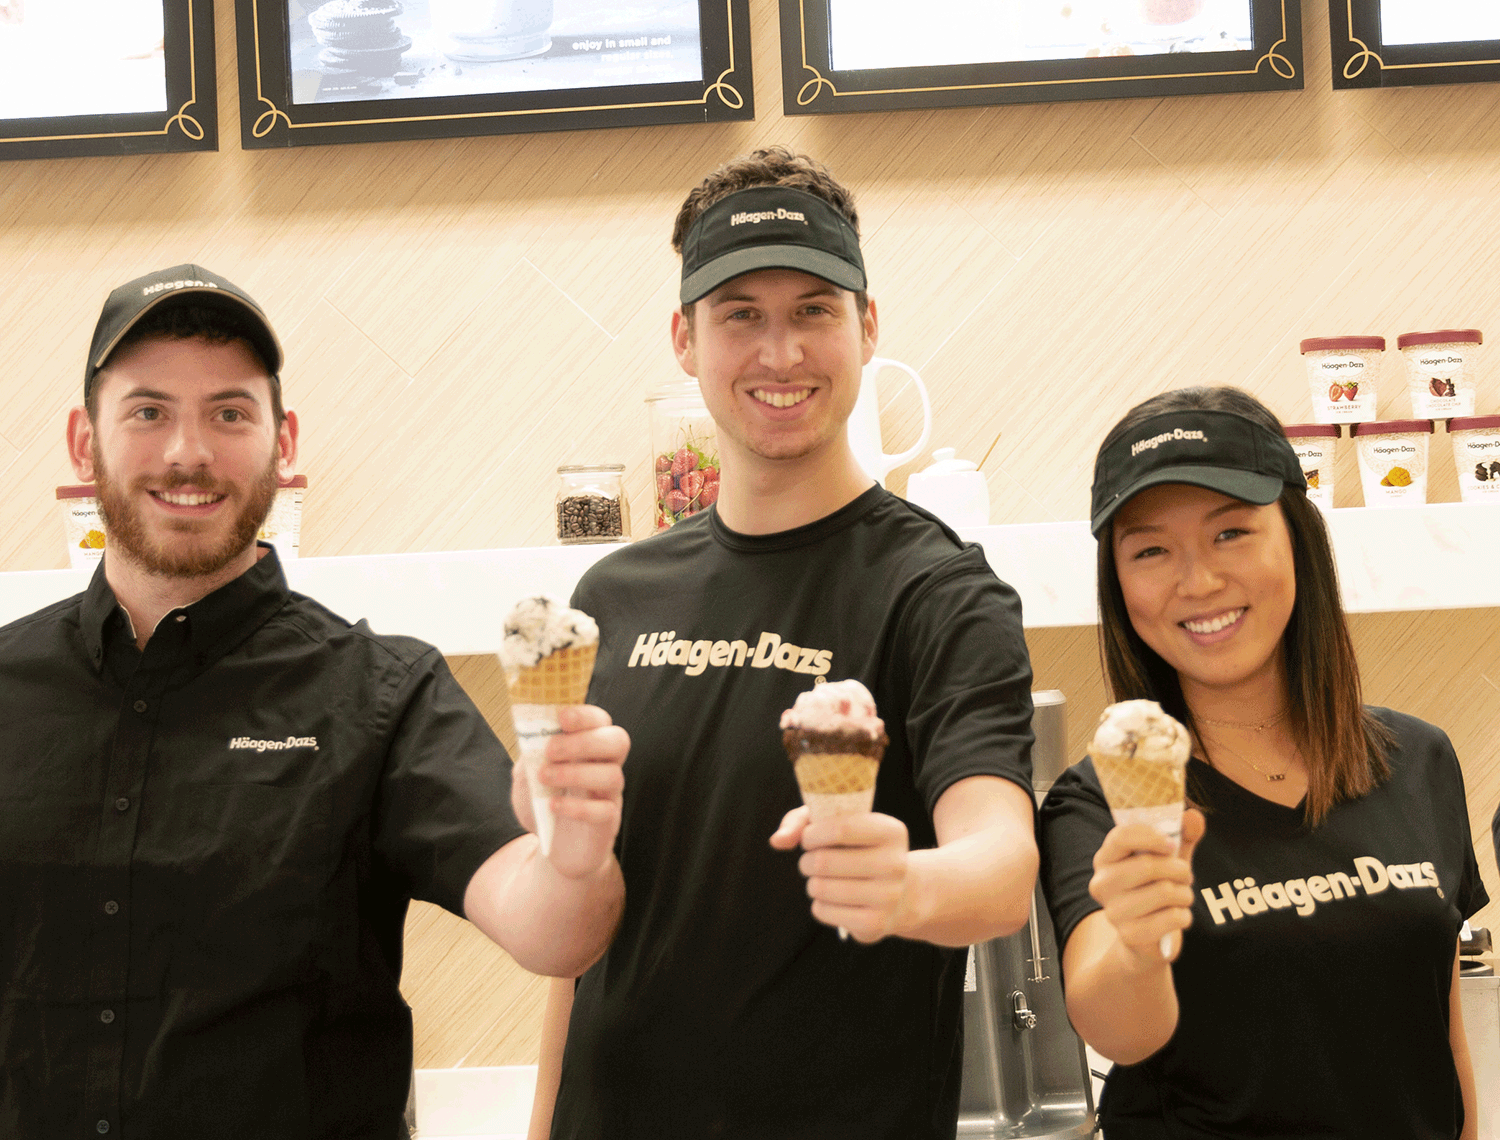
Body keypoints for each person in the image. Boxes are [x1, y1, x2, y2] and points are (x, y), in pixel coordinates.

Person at [0, 265, 629, 1140]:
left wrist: (574, 855)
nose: (189, 452)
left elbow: (553, 934)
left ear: (283, 441)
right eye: (148, 411)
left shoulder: (382, 692)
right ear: (83, 442)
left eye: (230, 412)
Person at [526, 147, 1040, 1140]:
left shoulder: (937, 594)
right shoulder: (614, 597)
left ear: (867, 325)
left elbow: (1001, 869)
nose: (781, 352)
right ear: (685, 338)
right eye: (740, 316)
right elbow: (589, 925)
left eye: (812, 309)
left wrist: (902, 885)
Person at [1039, 385, 1487, 1139]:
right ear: (1118, 584)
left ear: (1298, 538)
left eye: (1231, 534)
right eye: (1150, 549)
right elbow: (1113, 1026)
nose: (1199, 581)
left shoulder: (1420, 760)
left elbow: (1440, 1037)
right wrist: (1141, 940)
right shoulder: (1102, 804)